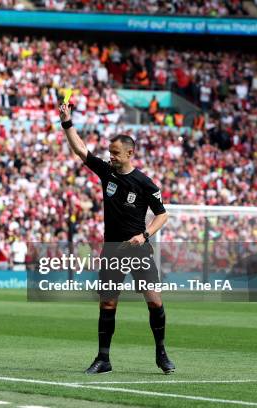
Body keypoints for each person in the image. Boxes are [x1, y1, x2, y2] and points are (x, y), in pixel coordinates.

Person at [58, 104, 175, 375]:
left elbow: (162, 215)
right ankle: (103, 359)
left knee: (154, 300)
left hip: (139, 249)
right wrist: (67, 123)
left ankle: (161, 354)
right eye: (109, 152)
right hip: (112, 249)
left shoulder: (145, 184)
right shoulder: (106, 172)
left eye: (115, 153)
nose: (110, 157)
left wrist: (144, 234)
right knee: (108, 302)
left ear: (130, 153)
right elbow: (80, 150)